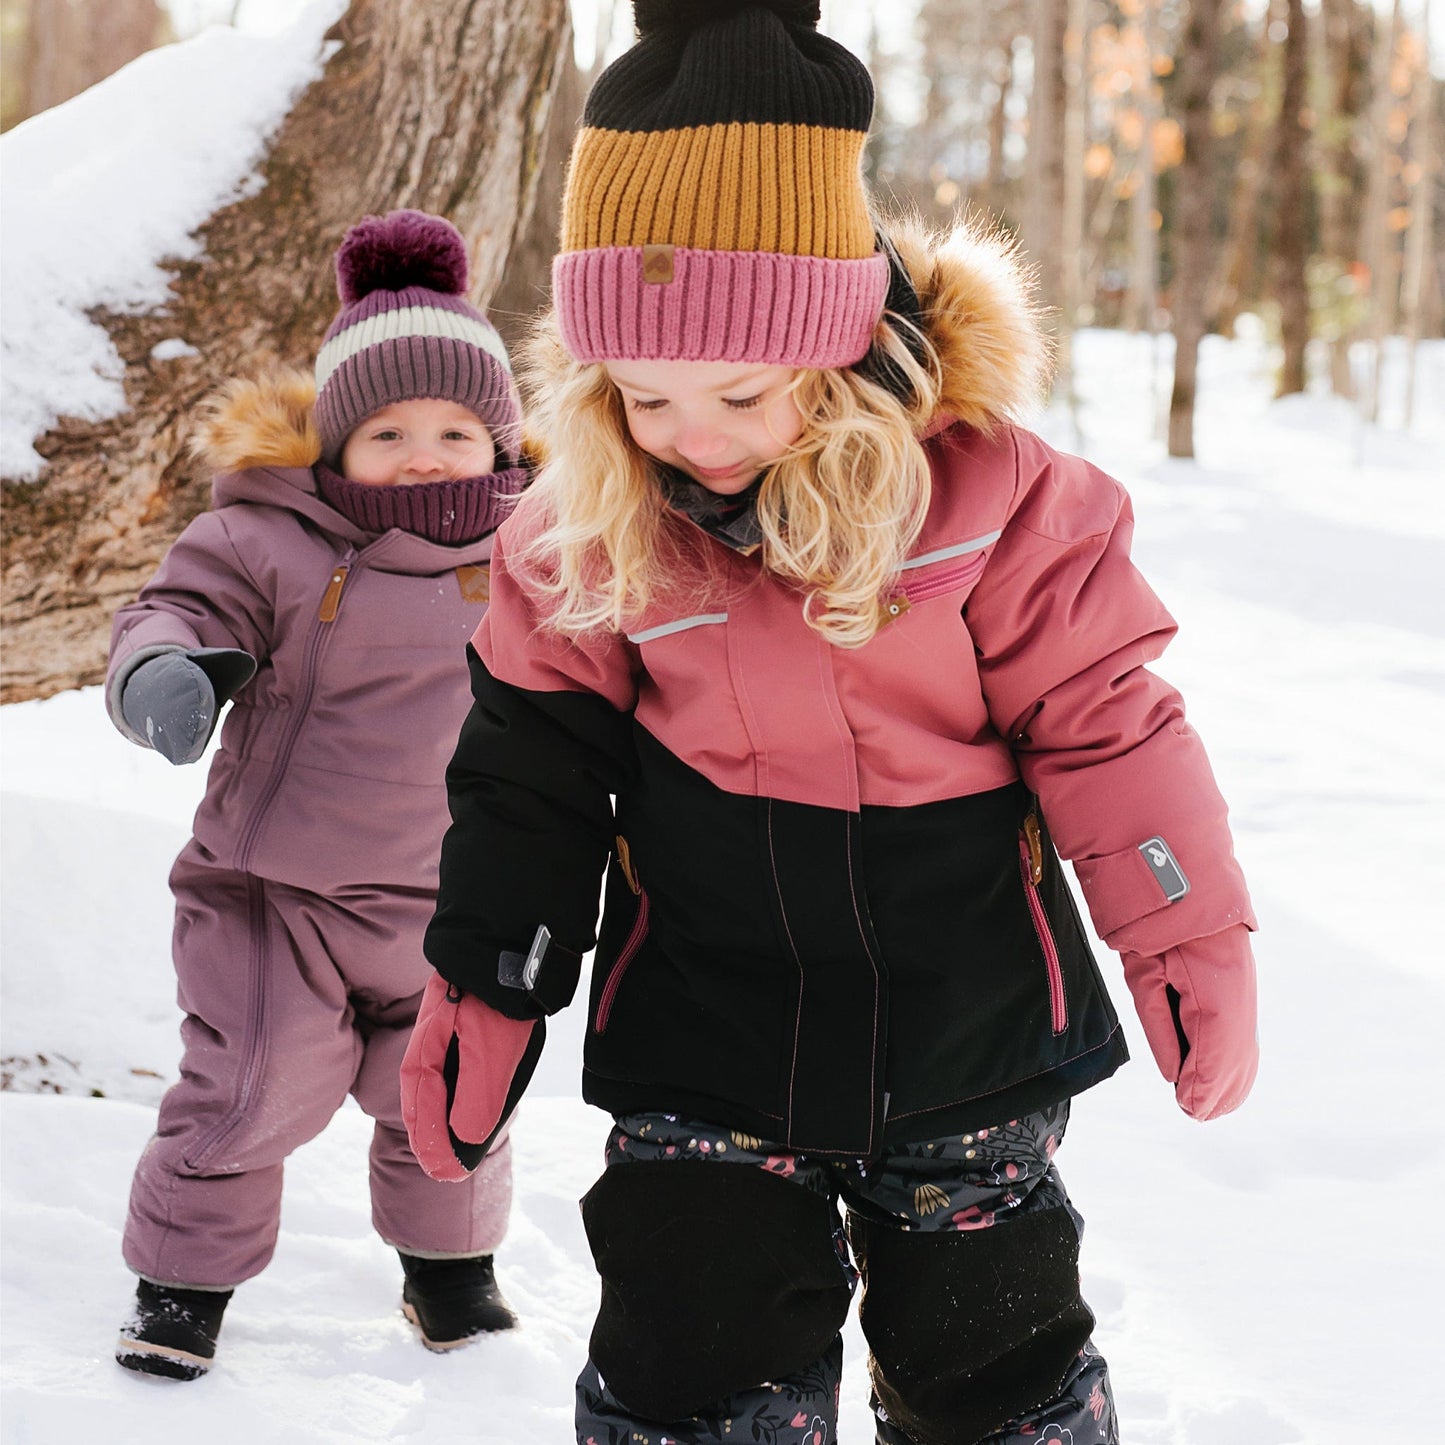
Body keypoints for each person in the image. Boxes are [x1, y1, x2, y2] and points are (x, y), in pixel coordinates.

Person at [401, 3, 1259, 1441]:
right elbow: (530, 777)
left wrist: (1183, 927)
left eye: (739, 390)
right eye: (645, 395)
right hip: (707, 1035)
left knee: (992, 1362)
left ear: (834, 341)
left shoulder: (996, 504)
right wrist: (492, 975)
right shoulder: (584, 536)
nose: (693, 434)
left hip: (966, 1034)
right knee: (689, 1354)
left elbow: (1109, 724)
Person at [106, 209, 529, 1380]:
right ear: (334, 447)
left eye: (454, 427)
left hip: (455, 901)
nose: (425, 453)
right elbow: (174, 607)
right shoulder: (271, 538)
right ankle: (183, 1281)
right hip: (273, 894)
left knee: (450, 1096)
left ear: (498, 438)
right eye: (387, 429)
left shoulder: (542, 552)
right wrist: (166, 671)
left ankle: (450, 1272)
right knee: (251, 1088)